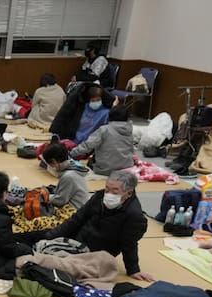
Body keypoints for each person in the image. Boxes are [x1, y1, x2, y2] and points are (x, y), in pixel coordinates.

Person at [21, 171, 154, 280]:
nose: (108, 194)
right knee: (27, 237)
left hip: (91, 253)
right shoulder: (99, 196)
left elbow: (129, 244)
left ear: (129, 193)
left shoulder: (134, 216)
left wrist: (133, 270)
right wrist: (49, 235)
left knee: (43, 259)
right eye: (107, 189)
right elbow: (77, 219)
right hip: (76, 237)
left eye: (115, 191)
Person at [70, 105, 134, 175]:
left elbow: (88, 145)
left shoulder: (104, 130)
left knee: (91, 160)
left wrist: (71, 153)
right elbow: (131, 150)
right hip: (126, 168)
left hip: (105, 169)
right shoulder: (129, 130)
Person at [41, 142, 92, 209]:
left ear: (54, 161)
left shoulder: (68, 176)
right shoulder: (73, 166)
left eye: (51, 165)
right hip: (78, 205)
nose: (52, 167)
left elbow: (60, 201)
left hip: (74, 209)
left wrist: (44, 198)